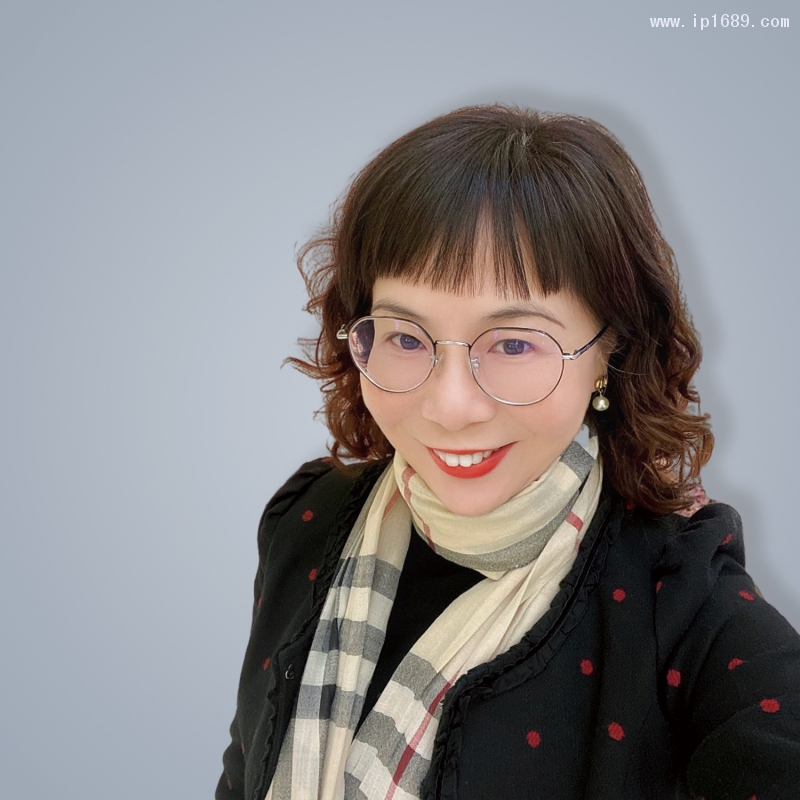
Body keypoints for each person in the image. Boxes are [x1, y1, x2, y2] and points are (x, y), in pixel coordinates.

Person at [217, 106, 800, 799]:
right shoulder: (306, 519)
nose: (450, 406)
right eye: (405, 337)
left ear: (610, 349)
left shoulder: (681, 601)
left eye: (515, 343)